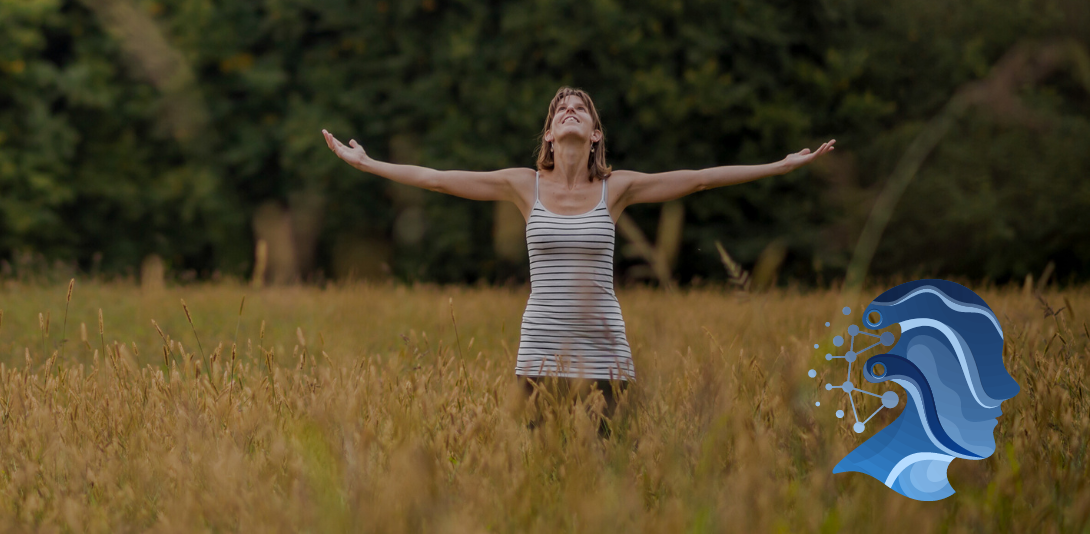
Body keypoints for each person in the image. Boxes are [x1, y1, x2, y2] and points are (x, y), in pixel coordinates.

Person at [322, 86, 835, 423]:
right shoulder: (524, 187)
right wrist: (368, 164)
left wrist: (778, 167)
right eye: (559, 108)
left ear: (595, 135)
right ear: (549, 134)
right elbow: (435, 179)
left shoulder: (618, 189)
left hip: (606, 356)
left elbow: (700, 179)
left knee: (607, 479)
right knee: (542, 477)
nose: (569, 109)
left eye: (580, 108)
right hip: (538, 354)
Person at [831, 279, 1019, 500]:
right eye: (985, 368)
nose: (1008, 390)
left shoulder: (956, 490)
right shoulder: (862, 489)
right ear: (924, 372)